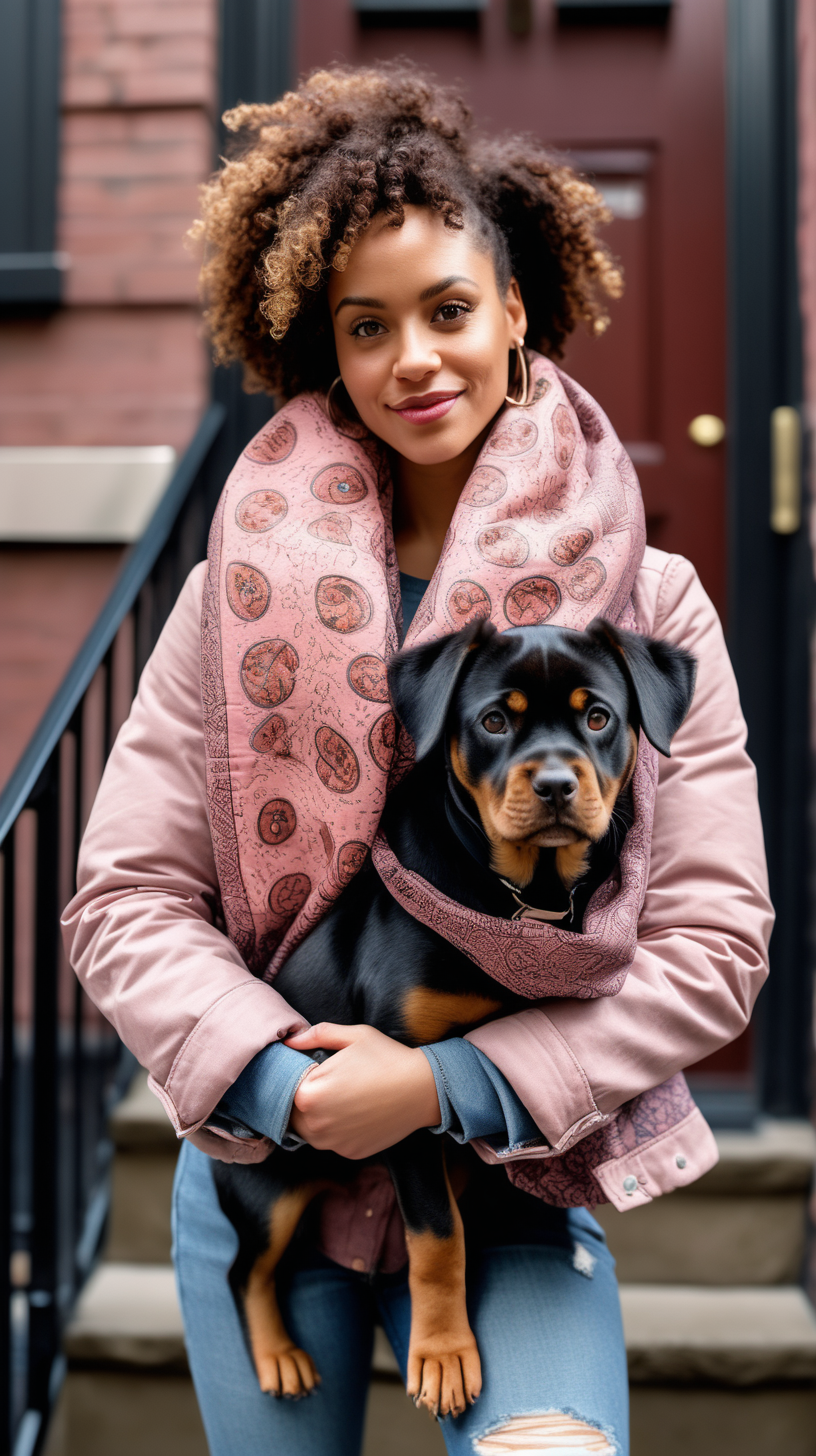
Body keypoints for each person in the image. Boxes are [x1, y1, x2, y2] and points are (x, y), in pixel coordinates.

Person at [62, 63, 772, 1456]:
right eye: (367, 326)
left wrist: (443, 1085)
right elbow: (124, 901)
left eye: (450, 309)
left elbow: (715, 942)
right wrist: (288, 1085)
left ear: (516, 314)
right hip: (281, 1178)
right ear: (330, 351)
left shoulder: (653, 600)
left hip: (515, 1187)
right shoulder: (232, 597)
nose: (417, 359)